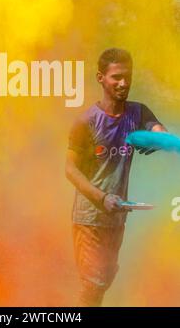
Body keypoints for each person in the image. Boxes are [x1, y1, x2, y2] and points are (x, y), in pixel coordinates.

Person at [65, 48, 166, 307]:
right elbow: (70, 170)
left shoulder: (137, 112)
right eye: (116, 77)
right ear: (101, 78)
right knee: (93, 282)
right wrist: (101, 198)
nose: (124, 83)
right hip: (90, 217)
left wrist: (157, 138)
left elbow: (158, 129)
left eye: (128, 77)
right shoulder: (86, 122)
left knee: (104, 279)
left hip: (117, 215)